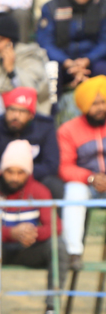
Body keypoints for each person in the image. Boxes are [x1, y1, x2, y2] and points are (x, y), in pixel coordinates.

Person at [0, 139, 69, 314]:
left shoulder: (39, 191)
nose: (14, 177)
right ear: (2, 170)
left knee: (59, 246)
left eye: (20, 172)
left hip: (28, 248)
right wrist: (11, 233)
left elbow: (56, 227)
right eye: (9, 171)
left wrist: (32, 233)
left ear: (28, 172)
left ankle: (51, 310)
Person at [0, 87, 61, 235]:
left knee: (55, 185)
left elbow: (51, 165)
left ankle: (53, 237)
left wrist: (23, 172)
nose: (16, 116)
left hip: (33, 178)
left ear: (31, 115)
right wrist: (4, 171)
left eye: (22, 111)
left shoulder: (45, 127)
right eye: (11, 110)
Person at [58, 75, 106, 270]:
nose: (100, 108)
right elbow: (64, 166)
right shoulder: (68, 130)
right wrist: (90, 178)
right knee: (74, 191)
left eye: (103, 102)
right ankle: (73, 252)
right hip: (87, 183)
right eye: (94, 104)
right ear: (84, 105)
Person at [35, 0, 106, 95]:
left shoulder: (103, 8)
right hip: (62, 62)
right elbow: (45, 43)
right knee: (50, 71)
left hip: (93, 62)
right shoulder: (52, 7)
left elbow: (104, 43)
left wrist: (87, 60)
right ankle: (51, 109)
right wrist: (68, 62)